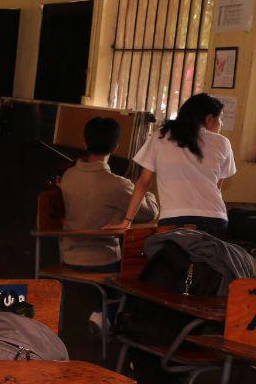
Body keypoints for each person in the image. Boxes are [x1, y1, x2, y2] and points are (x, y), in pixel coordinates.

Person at [114, 93, 235, 234]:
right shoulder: (223, 143)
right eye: (220, 118)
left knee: (170, 255)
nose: (222, 123)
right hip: (215, 219)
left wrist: (127, 221)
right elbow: (216, 188)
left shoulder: (161, 136)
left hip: (174, 219)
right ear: (209, 119)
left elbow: (144, 182)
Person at [59, 116, 158, 271]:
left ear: (85, 143)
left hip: (68, 257)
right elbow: (150, 212)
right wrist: (144, 189)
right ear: (115, 148)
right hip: (103, 261)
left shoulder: (68, 176)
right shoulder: (118, 185)